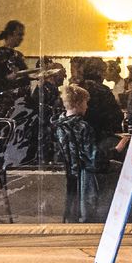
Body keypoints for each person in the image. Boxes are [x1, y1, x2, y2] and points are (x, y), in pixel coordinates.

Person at [53, 83, 103, 222]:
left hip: (65, 174)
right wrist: (115, 150)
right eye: (86, 103)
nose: (87, 107)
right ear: (78, 103)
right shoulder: (83, 127)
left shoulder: (57, 125)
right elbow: (93, 158)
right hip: (82, 174)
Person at [0, 19, 31, 111]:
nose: (22, 38)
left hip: (18, 100)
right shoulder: (0, 55)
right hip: (6, 101)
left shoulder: (18, 55)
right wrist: (10, 77)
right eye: (20, 35)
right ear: (11, 34)